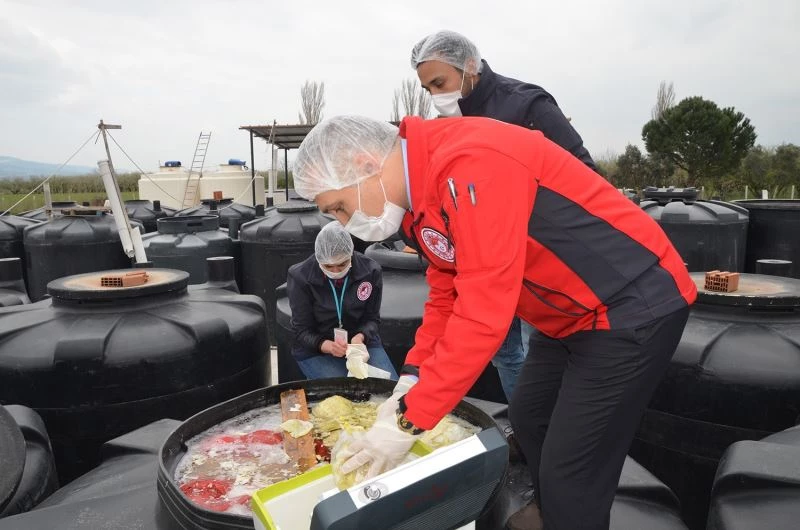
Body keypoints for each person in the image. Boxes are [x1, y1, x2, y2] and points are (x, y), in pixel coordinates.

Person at [292, 115, 696, 530]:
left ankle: (569, 512)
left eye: (338, 207)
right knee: (529, 417)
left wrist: (409, 419)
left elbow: (483, 312)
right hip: (566, 314)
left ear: (364, 164)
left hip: (628, 305)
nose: (343, 223)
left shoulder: (471, 167)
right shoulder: (418, 203)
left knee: (571, 469)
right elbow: (448, 294)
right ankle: (553, 512)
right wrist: (412, 379)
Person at [410, 30, 598, 401]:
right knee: (503, 352)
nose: (435, 96)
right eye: (428, 89)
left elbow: (583, 172)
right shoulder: (448, 127)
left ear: (468, 66)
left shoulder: (526, 106)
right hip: (479, 264)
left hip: (533, 258)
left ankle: (542, 424)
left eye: (440, 83)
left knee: (537, 348)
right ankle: (522, 421)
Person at [286, 222, 398, 380]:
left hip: (359, 342)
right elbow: (302, 330)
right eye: (328, 266)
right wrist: (327, 346)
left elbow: (372, 318)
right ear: (319, 259)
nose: (336, 271)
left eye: (342, 264)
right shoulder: (300, 277)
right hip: (316, 346)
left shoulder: (370, 271)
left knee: (388, 386)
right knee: (345, 392)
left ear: (350, 255)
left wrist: (360, 337)